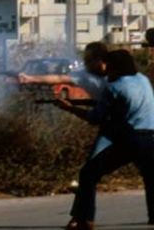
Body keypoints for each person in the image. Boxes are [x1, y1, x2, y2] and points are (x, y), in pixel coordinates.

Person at [54, 50, 154, 230]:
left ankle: (86, 219)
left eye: (109, 66)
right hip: (150, 138)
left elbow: (95, 118)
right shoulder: (143, 80)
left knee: (88, 174)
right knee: (151, 176)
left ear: (115, 67)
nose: (106, 70)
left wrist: (70, 108)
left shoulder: (114, 87)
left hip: (130, 139)